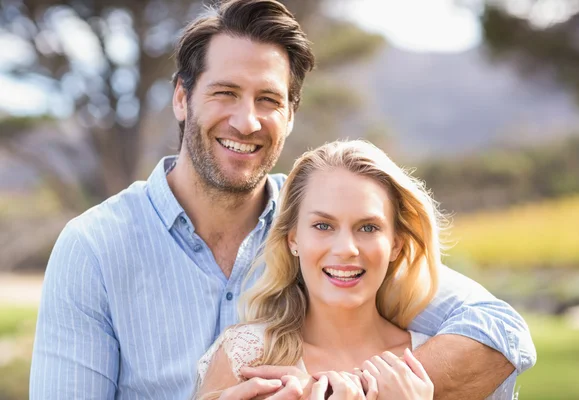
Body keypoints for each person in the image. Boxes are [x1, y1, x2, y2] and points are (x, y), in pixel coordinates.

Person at [29, 1, 535, 399]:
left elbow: (500, 331)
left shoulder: (328, 226)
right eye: (225, 92)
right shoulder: (93, 247)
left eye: (268, 100)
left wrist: (360, 392)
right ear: (182, 97)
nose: (247, 121)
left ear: (291, 115)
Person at [192, 140, 519, 400]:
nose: (346, 248)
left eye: (368, 228)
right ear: (294, 239)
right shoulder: (245, 358)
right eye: (323, 225)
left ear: (396, 245)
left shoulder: (443, 364)